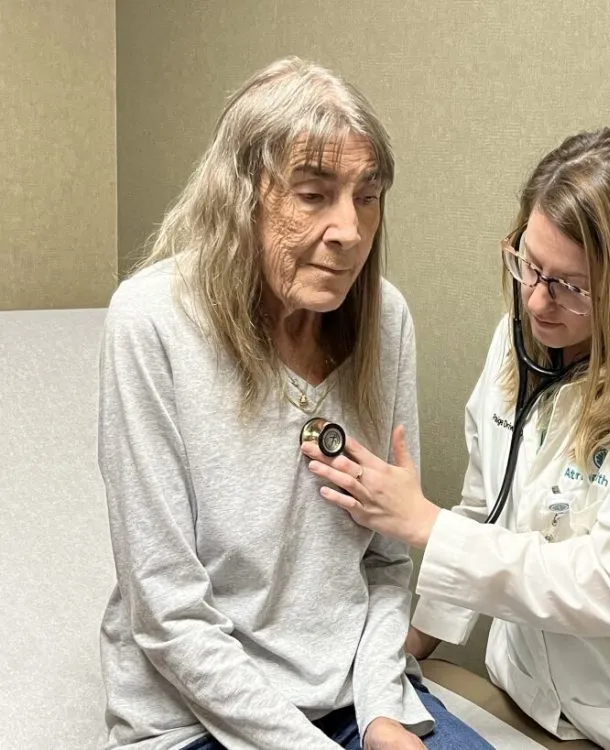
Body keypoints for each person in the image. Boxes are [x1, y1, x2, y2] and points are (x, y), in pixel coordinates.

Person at [303, 128, 610, 749]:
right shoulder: (520, 341)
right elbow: (485, 511)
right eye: (528, 263)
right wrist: (406, 650)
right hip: (527, 701)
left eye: (570, 285)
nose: (536, 300)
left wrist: (426, 526)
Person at [97, 57, 493, 750]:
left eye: (366, 197)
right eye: (314, 195)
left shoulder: (385, 320)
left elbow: (385, 564)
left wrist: (380, 717)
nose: (349, 231)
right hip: (193, 716)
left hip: (353, 693)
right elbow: (166, 612)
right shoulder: (150, 322)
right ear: (240, 197)